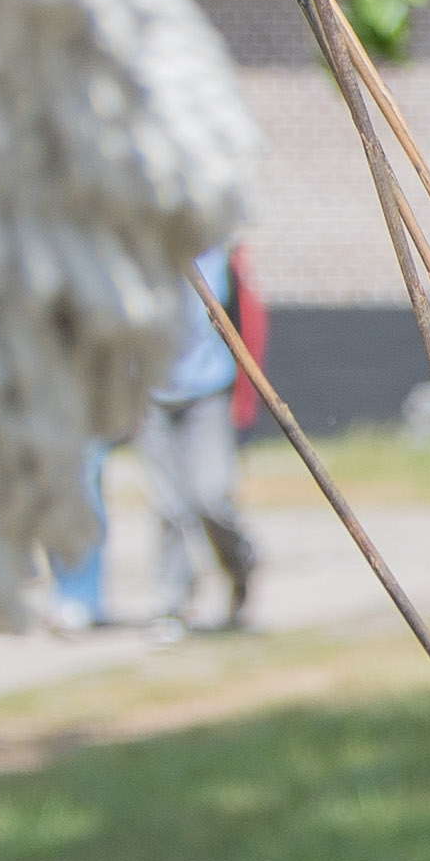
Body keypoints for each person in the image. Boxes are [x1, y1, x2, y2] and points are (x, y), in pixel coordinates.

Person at [140, 242, 258, 634]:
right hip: (152, 395)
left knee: (211, 495)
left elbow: (244, 323)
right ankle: (172, 603)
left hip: (208, 390)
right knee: (169, 504)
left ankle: (241, 567)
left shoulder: (217, 254)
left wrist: (245, 394)